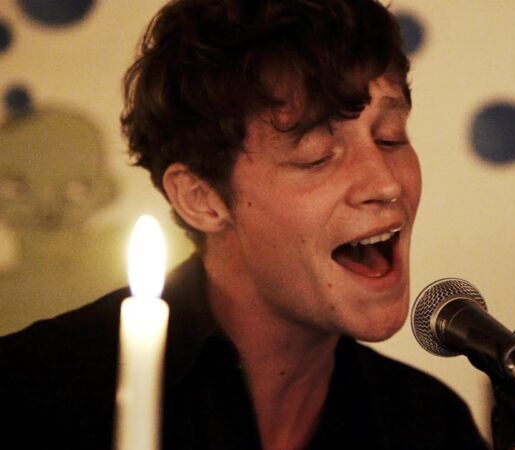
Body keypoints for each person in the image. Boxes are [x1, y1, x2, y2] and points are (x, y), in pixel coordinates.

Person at [0, 0, 488, 449]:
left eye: (390, 137)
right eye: (318, 155)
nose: (385, 183)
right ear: (201, 199)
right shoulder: (35, 397)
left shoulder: (430, 425)